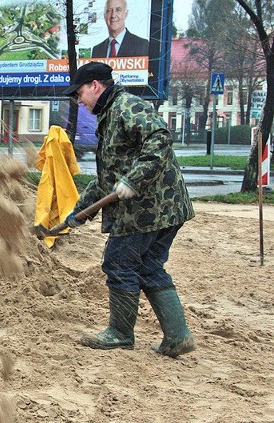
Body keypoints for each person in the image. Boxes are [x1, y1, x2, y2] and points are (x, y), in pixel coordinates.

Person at [61, 62, 195, 358]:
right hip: (164, 208)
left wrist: (134, 179)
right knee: (148, 267)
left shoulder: (127, 107)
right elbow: (107, 177)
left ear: (95, 85)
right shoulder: (110, 116)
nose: (78, 100)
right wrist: (81, 211)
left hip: (149, 209)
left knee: (119, 262)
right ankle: (178, 337)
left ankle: (120, 333)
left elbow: (159, 139)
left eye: (79, 93)